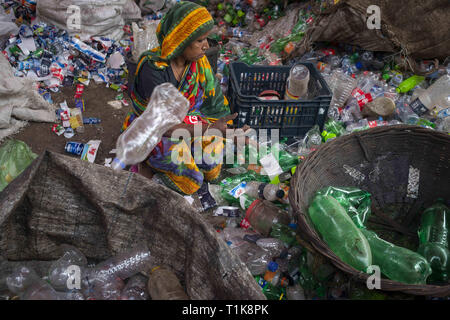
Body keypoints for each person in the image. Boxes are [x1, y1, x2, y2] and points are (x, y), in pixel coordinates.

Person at [122, 1, 237, 195]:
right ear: (181, 39)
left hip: (191, 123)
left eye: (206, 40)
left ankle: (183, 155)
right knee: (192, 181)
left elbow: (214, 104)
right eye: (200, 40)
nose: (206, 46)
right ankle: (150, 167)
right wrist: (207, 129)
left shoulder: (198, 63)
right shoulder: (153, 70)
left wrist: (223, 127)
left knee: (212, 168)